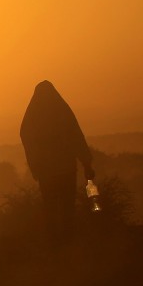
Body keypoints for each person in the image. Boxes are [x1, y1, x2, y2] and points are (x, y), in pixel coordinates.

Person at [19, 81, 95, 243]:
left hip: (48, 172)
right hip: (65, 169)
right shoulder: (62, 111)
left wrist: (36, 165)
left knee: (51, 207)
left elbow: (26, 137)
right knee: (67, 206)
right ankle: (67, 240)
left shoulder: (33, 115)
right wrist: (86, 163)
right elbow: (77, 137)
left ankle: (56, 243)